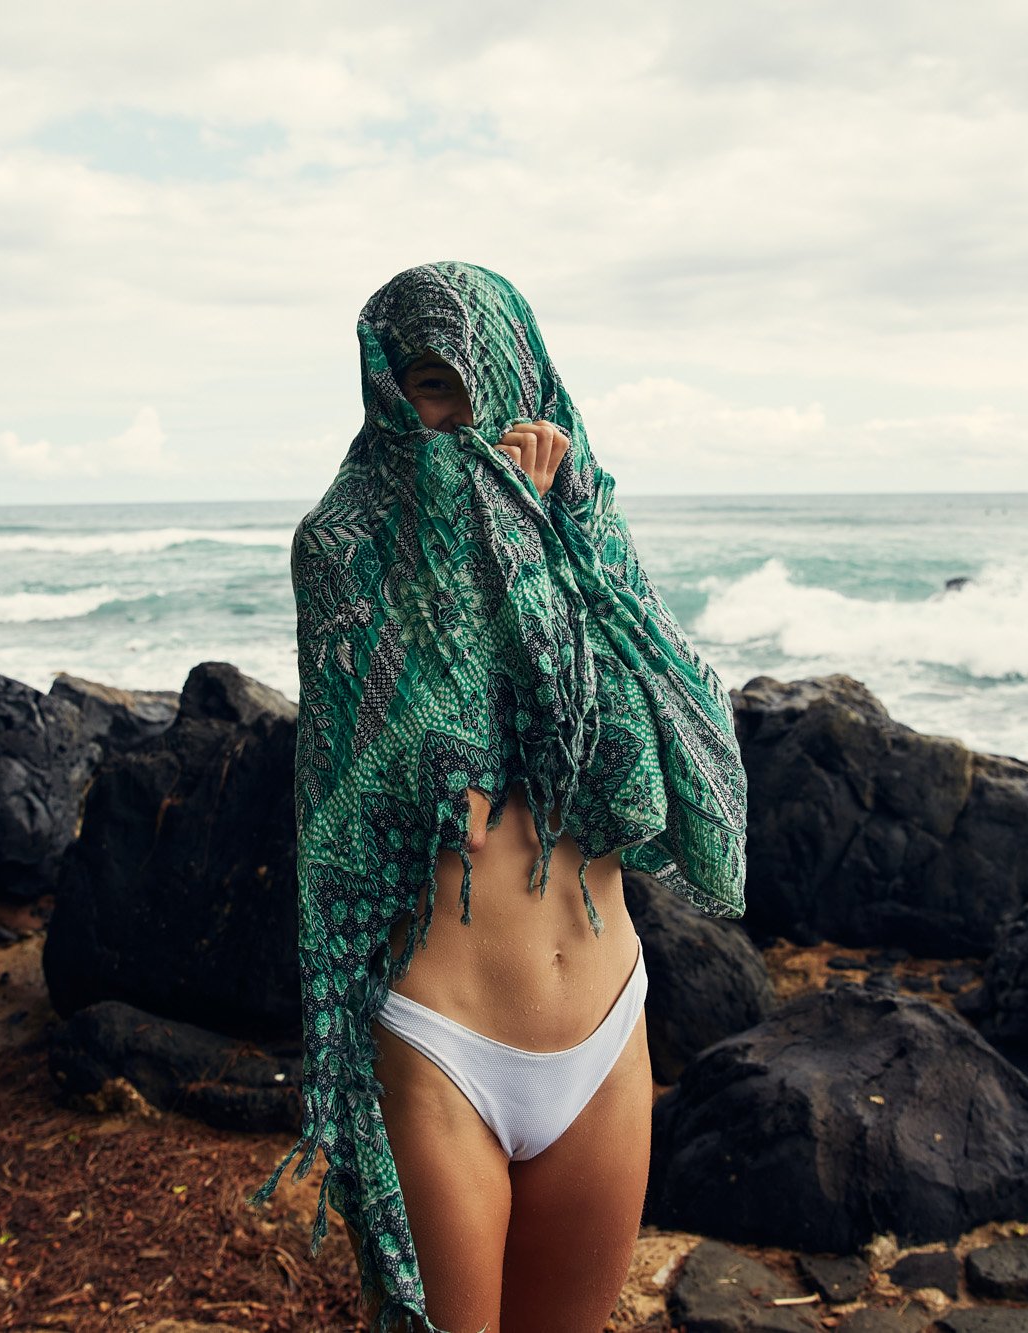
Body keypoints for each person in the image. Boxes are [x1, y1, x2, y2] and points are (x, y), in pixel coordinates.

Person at [252, 261, 749, 1333]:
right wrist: (500, 536)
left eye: (477, 389)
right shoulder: (341, 550)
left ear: (524, 377)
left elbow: (662, 750)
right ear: (388, 394)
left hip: (606, 1027)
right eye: (429, 390)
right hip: (443, 1037)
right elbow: (431, 767)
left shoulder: (588, 533)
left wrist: (563, 533)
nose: (459, 422)